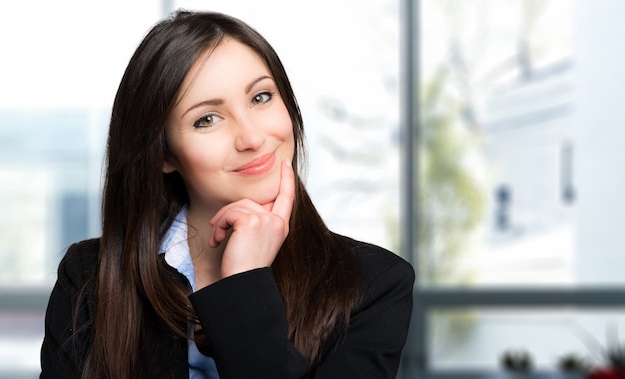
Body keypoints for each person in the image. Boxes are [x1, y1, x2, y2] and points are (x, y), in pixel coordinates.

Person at [40, 9, 414, 379]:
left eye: (261, 97)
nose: (251, 138)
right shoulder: (90, 280)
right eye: (207, 119)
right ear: (165, 154)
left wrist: (245, 284)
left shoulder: (373, 286)